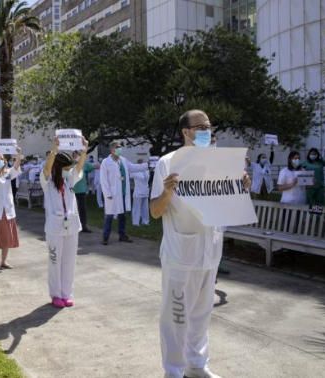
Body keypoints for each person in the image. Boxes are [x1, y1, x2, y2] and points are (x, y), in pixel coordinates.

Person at [150, 109, 250, 378]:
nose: (208, 130)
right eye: (201, 126)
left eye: (209, 125)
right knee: (176, 316)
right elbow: (155, 211)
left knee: (202, 314)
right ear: (186, 131)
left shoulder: (219, 163)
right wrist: (168, 191)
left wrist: (242, 187)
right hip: (180, 253)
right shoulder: (167, 163)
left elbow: (227, 203)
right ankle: (174, 370)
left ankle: (197, 365)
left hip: (210, 251)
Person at [41, 137, 88, 308]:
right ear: (59, 168)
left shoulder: (69, 181)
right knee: (55, 262)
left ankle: (67, 293)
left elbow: (80, 166)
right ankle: (56, 294)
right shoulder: (47, 182)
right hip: (55, 228)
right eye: (66, 168)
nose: (69, 171)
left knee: (69, 262)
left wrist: (85, 150)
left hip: (71, 227)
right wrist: (54, 149)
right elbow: (47, 168)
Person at [100, 141, 147, 245]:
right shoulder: (106, 162)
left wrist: (146, 165)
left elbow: (133, 167)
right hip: (112, 194)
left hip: (123, 193)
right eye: (117, 148)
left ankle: (122, 235)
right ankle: (105, 237)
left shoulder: (123, 160)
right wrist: (107, 194)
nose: (120, 149)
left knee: (122, 215)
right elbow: (103, 180)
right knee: (109, 215)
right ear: (112, 150)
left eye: (120, 147)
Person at [72, 150, 94, 233]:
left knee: (82, 209)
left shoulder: (84, 164)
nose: (76, 157)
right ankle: (74, 226)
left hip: (81, 190)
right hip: (72, 190)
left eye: (77, 155)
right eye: (74, 156)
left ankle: (83, 226)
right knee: (73, 210)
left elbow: (92, 167)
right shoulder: (70, 165)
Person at [131, 159, 150, 226]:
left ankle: (145, 221)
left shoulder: (146, 171)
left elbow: (147, 178)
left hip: (145, 192)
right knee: (137, 208)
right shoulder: (134, 171)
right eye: (140, 163)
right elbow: (130, 175)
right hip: (138, 193)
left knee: (145, 208)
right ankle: (135, 222)